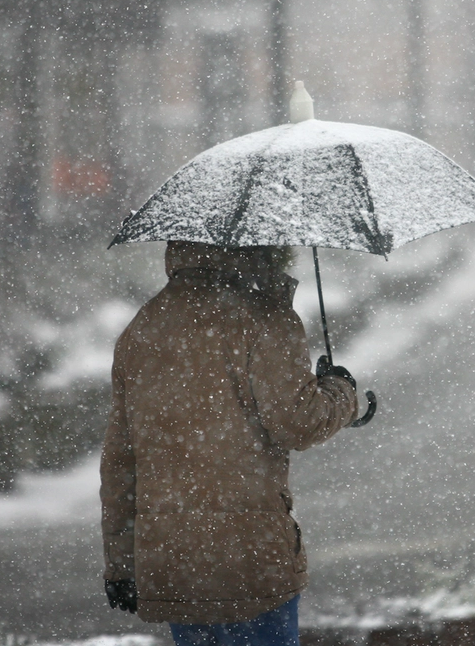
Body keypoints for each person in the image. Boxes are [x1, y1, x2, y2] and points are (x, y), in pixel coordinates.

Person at [100, 240, 359, 646]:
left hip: (174, 559)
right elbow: (299, 423)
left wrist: (120, 564)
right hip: (250, 557)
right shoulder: (266, 319)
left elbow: (120, 460)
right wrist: (341, 390)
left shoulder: (144, 326)